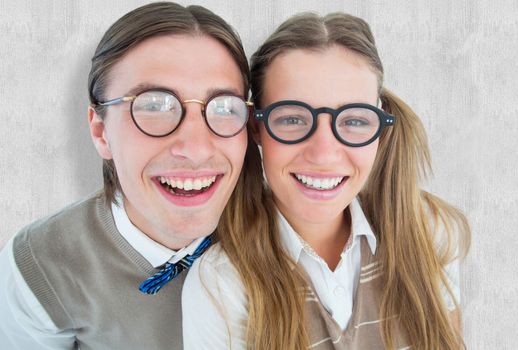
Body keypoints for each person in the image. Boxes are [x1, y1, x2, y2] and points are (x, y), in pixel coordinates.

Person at [183, 12, 471, 350]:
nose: (324, 154)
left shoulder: (429, 231)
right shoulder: (222, 284)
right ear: (257, 128)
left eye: (354, 121)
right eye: (292, 118)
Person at [0, 2, 257, 349]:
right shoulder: (40, 266)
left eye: (225, 108)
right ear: (101, 132)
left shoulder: (294, 236)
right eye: (154, 105)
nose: (196, 148)